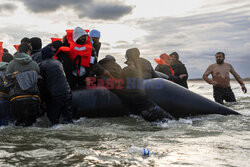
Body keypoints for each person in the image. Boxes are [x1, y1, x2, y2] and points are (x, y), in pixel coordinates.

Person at [5, 42, 40, 126]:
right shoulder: (34, 64)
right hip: (32, 98)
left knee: (18, 125)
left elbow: (6, 81)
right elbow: (38, 81)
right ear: (28, 52)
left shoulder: (11, 64)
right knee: (31, 125)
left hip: (16, 98)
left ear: (18, 51)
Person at [39, 46, 73, 125]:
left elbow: (42, 85)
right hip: (67, 92)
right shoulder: (58, 63)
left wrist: (43, 100)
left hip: (55, 95)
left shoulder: (42, 65)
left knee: (54, 120)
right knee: (68, 120)